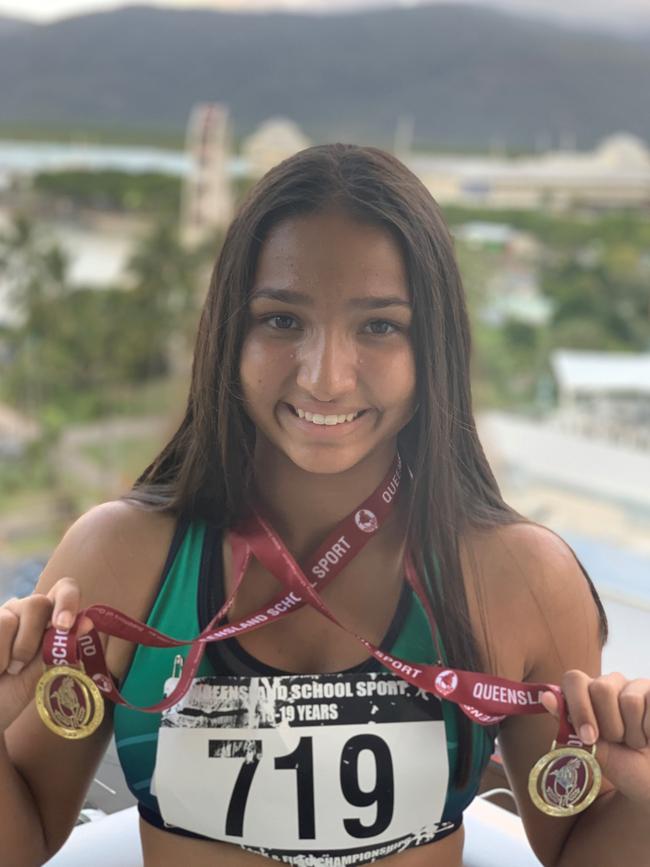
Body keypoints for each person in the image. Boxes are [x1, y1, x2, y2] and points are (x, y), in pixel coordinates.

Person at [0, 143, 648, 867]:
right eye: (282, 320)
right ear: (229, 335)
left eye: (379, 325)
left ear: (433, 345)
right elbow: (23, 832)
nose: (326, 376)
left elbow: (581, 849)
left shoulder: (523, 578)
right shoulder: (119, 556)